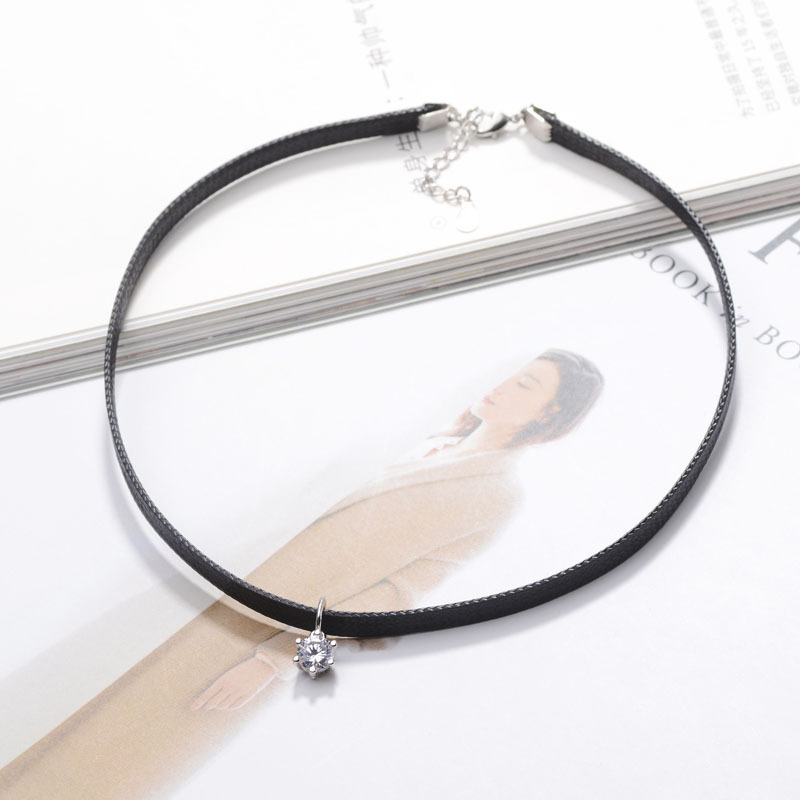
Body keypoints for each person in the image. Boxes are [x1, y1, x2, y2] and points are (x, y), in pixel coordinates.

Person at [0, 347, 603, 799]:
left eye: (525, 384)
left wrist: (274, 663)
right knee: (52, 706)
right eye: (513, 371)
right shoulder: (426, 444)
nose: (502, 384)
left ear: (549, 414)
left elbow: (393, 606)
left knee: (97, 765)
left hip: (239, 649)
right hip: (198, 598)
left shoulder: (496, 496)